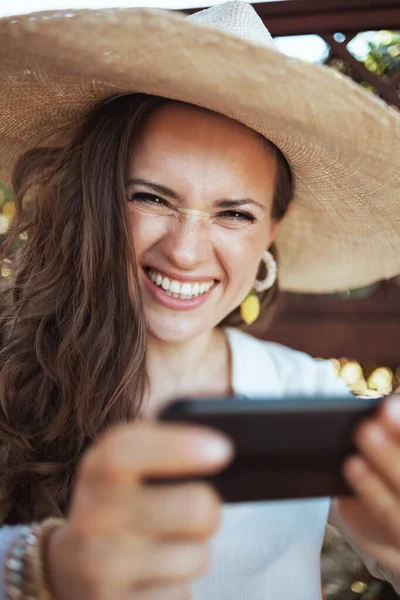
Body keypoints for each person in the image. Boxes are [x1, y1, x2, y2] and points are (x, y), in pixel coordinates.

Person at [0, 1, 400, 599]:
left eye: (234, 213)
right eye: (152, 199)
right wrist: (44, 568)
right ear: (93, 200)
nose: (186, 253)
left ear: (273, 231)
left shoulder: (304, 395)